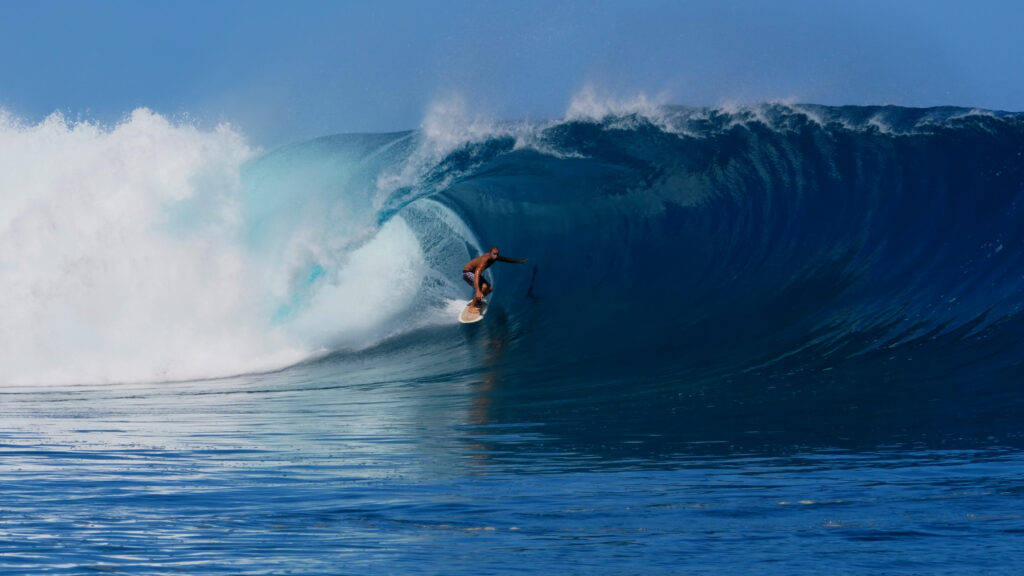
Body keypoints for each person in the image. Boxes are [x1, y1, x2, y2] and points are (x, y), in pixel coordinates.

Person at [462, 246, 528, 311]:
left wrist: (519, 261)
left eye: (497, 254)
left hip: (473, 273)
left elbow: (506, 259)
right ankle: (471, 307)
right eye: (494, 254)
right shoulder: (483, 262)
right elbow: (476, 275)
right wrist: (478, 291)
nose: (496, 256)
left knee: (490, 289)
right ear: (490, 253)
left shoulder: (494, 257)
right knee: (484, 287)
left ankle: (477, 301)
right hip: (467, 273)